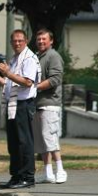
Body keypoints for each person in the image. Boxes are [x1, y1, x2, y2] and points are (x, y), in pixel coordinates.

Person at [0, 29, 40, 189]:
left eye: (20, 40)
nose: (17, 43)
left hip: (24, 104)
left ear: (26, 41)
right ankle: (16, 176)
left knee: (24, 142)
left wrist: (7, 73)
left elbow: (27, 82)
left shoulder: (29, 58)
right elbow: (10, 83)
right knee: (13, 143)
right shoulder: (15, 59)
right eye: (14, 41)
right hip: (13, 104)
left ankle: (27, 177)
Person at [33, 29, 67, 184]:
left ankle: (60, 170)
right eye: (39, 39)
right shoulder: (37, 56)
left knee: (50, 138)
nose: (41, 41)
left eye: (44, 39)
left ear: (51, 41)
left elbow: (55, 79)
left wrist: (35, 87)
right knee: (41, 142)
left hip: (50, 104)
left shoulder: (53, 56)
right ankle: (48, 173)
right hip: (38, 104)